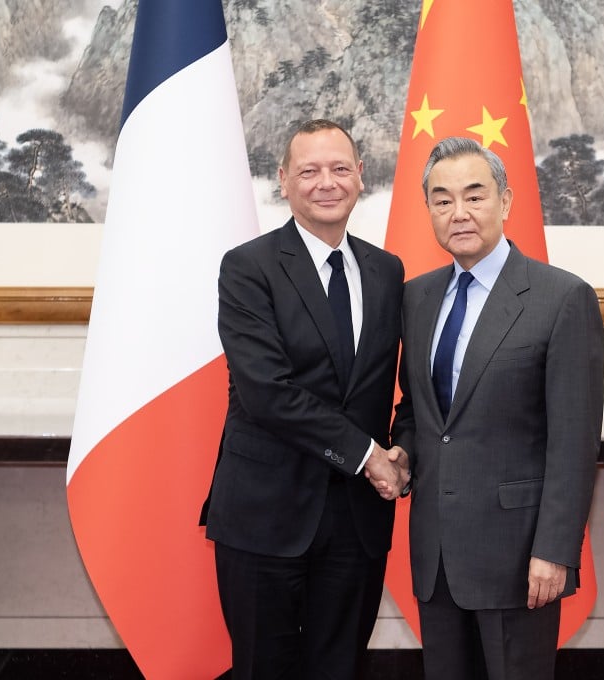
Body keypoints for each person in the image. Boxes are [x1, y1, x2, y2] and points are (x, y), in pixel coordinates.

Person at [383, 136, 604, 680]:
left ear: (505, 202)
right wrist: (403, 453)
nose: (458, 213)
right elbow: (420, 409)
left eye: (474, 196)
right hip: (436, 553)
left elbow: (574, 442)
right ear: (429, 210)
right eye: (442, 200)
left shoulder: (562, 299)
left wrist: (555, 551)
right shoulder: (416, 297)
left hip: (518, 557)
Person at [201, 119, 408, 679]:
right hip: (265, 514)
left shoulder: (388, 273)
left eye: (340, 168)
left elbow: (404, 384)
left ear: (361, 177)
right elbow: (267, 393)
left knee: (339, 669)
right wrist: (370, 456)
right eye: (309, 170)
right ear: (283, 180)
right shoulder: (248, 268)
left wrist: (405, 451)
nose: (326, 182)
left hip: (356, 523)